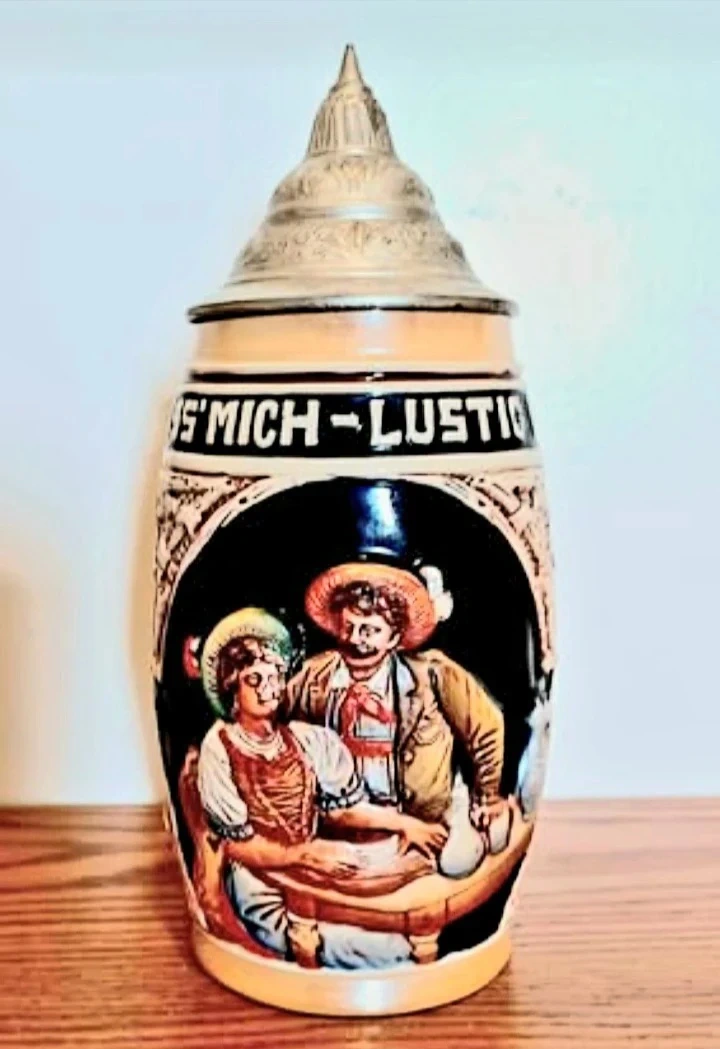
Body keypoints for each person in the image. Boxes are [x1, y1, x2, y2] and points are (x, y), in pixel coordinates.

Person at [195, 608, 448, 969]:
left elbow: (341, 809)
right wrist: (306, 854)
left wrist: (404, 823)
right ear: (232, 689)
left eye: (275, 677)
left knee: (391, 925)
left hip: (310, 875)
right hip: (260, 884)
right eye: (255, 680)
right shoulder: (219, 747)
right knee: (379, 951)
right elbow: (235, 844)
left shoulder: (306, 740)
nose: (269, 689)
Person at [286, 562, 512, 863]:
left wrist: (488, 797)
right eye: (348, 627)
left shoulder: (431, 675)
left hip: (428, 818)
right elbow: (267, 723)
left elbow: (486, 727)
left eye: (370, 631)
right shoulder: (313, 677)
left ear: (394, 637)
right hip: (344, 823)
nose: (355, 640)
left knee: (457, 862)